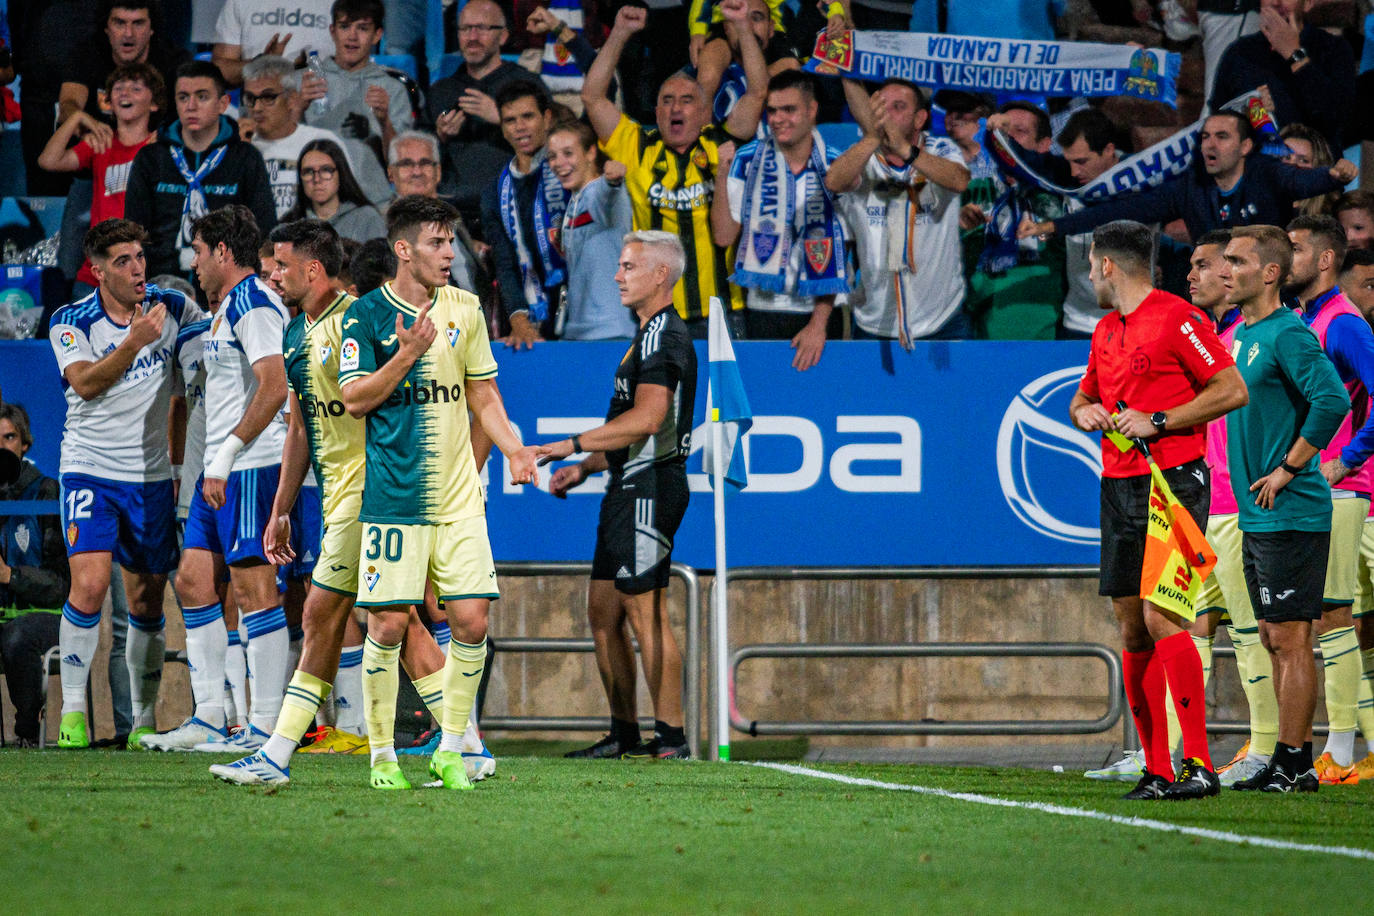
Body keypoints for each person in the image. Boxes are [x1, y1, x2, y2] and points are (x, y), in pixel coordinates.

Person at [209, 218, 459, 784]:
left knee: (360, 617)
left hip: (374, 492)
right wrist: (280, 507)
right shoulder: (296, 332)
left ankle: (275, 754)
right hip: (339, 497)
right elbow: (299, 428)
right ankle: (465, 743)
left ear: (312, 268)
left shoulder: (361, 319)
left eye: (279, 264)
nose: (271, 274)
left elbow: (405, 404)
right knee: (379, 618)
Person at [337, 195, 539, 789]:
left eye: (451, 241)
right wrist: (405, 355)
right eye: (436, 242)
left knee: (472, 621)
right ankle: (382, 758)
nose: (449, 253)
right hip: (396, 499)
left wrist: (513, 448)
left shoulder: (466, 309)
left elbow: (482, 395)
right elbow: (355, 399)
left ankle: (453, 747)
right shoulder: (366, 316)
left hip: (458, 498)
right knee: (389, 627)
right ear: (403, 249)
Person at [1069, 220, 1248, 800]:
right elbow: (1084, 396)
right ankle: (1156, 768)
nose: (1089, 274)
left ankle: (1197, 763)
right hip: (1118, 483)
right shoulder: (1104, 330)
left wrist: (1162, 420)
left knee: (1161, 617)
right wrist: (1085, 413)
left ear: (1107, 266)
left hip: (1171, 481)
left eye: (1091, 263)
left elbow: (1231, 388)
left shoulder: (1179, 319)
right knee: (1129, 622)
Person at [539, 231, 699, 760]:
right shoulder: (645, 335)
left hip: (651, 488)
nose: (617, 275)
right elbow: (635, 427)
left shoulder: (664, 336)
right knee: (603, 610)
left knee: (644, 610)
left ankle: (671, 738)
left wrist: (569, 445)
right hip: (625, 486)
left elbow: (649, 419)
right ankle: (624, 733)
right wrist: (585, 466)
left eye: (629, 266)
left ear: (661, 275)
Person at [47, 218, 204, 749]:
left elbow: (199, 366)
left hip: (151, 477)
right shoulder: (71, 320)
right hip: (89, 468)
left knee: (145, 603)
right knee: (90, 587)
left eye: (140, 257)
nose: (137, 269)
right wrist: (135, 343)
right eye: (122, 261)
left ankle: (141, 720)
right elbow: (86, 384)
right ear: (97, 271)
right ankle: (71, 714)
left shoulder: (173, 307)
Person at [142, 206, 291, 751]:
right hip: (220, 468)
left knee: (256, 589)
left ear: (224, 252)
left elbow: (274, 386)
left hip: (250, 464)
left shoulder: (254, 301)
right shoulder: (230, 306)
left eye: (200, 251)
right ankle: (209, 715)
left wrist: (226, 454)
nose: (194, 262)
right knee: (193, 580)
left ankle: (266, 727)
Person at [1220, 223, 1350, 792]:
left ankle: (1297, 761)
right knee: (1274, 635)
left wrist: (1290, 467)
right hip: (1260, 514)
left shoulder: (1287, 335)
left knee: (1293, 637)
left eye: (1237, 261)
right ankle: (1284, 757)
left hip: (1292, 509)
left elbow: (1334, 399)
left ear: (1269, 273)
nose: (1226, 270)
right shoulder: (1243, 334)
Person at [583, 2, 766, 336]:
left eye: (686, 100)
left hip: (721, 309)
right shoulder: (636, 145)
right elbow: (593, 97)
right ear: (655, 111)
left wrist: (740, 25)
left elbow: (757, 92)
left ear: (704, 111)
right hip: (656, 310)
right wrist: (620, 33)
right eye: (666, 100)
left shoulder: (720, 144)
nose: (675, 107)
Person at [1284, 214, 1374, 784]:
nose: (1283, 258)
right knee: (1327, 617)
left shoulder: (1344, 324)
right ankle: (1339, 748)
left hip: (1341, 488)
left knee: (1332, 615)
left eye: (1293, 249)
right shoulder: (1303, 319)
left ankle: (1340, 751)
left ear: (1323, 259)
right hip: (1316, 487)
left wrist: (1351, 455)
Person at [1021, 111, 1356, 245]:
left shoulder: (1266, 173)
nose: (1210, 144)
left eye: (1221, 136)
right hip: (1213, 306)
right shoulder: (1190, 187)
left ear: (1245, 146)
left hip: (1268, 306)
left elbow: (1303, 183)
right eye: (1205, 136)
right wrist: (1054, 226)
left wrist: (1333, 176)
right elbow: (1123, 211)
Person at [713, 70, 848, 370]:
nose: (777, 119)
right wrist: (721, 173)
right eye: (772, 111)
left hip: (820, 314)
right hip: (762, 310)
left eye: (789, 109)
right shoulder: (746, 160)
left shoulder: (836, 165)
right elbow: (723, 236)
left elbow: (842, 251)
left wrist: (818, 323)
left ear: (812, 110)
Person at [825, 78, 970, 345]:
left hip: (942, 321)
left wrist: (904, 149)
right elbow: (834, 181)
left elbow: (958, 180)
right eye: (881, 107)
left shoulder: (941, 150)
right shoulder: (863, 158)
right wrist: (872, 138)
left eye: (898, 107)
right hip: (875, 324)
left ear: (919, 119)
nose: (886, 114)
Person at [124, 60, 276, 282]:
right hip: (161, 280)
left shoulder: (246, 157)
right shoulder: (151, 157)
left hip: (229, 282)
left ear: (223, 103)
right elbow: (134, 231)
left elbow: (262, 229)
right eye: (183, 97)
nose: (191, 106)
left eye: (202, 96)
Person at [989, 107, 1124, 339]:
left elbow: (1108, 213)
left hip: (1129, 323)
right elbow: (1018, 161)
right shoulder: (1066, 174)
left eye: (1081, 161)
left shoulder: (1145, 182)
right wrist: (997, 134)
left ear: (1109, 150)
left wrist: (1052, 227)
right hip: (1076, 323)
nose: (1073, 171)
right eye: (1070, 161)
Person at [38, 63, 165, 296]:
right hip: (96, 274)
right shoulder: (101, 143)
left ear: (154, 103)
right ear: (108, 101)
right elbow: (48, 161)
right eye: (118, 88)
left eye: (136, 89)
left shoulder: (160, 149)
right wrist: (75, 118)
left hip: (141, 272)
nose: (125, 93)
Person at [424, 0, 547, 238]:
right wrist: (439, 136)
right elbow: (418, 149)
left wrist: (502, 119)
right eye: (465, 29)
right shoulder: (441, 90)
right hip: (451, 208)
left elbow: (553, 140)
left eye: (481, 28)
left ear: (503, 37)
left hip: (514, 204)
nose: (472, 36)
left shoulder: (526, 85)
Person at [0, 403, 70, 747]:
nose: (1, 446)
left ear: (24, 443)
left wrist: (10, 576)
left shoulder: (47, 491)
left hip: (48, 619)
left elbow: (60, 585)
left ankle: (27, 730)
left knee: (16, 637)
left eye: (9, 437)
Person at [1209, 0, 1356, 155]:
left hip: (1313, 169)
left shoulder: (1333, 50)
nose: (1275, 2)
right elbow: (1217, 122)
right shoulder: (1239, 53)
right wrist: (1252, 113)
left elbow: (1337, 118)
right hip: (1257, 169)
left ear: (1308, 3)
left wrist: (1294, 55)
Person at [482, 83, 566, 347]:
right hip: (533, 316)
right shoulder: (495, 191)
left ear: (547, 118)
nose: (519, 126)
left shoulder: (569, 174)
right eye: (510, 120)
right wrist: (519, 320)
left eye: (528, 116)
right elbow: (504, 264)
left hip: (582, 310)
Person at [546, 121, 639, 341]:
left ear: (590, 153)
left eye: (568, 153)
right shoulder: (574, 202)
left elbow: (609, 196)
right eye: (552, 156)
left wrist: (613, 180)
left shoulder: (600, 191)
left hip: (610, 332)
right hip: (577, 331)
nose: (559, 163)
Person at [299, 0, 412, 161]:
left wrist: (384, 122)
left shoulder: (393, 90)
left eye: (362, 28)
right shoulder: (305, 82)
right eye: (344, 26)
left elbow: (402, 163)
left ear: (377, 35)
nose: (352, 37)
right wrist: (298, 107)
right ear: (333, 31)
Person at [385, 130, 486, 300]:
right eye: (407, 164)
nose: (417, 171)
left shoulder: (453, 217)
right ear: (391, 174)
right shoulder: (384, 226)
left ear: (438, 171)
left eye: (425, 163)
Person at [57, 1, 187, 127]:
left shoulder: (176, 63)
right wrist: (80, 121)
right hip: (95, 144)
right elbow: (69, 103)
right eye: (119, 23)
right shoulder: (86, 54)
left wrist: (161, 139)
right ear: (106, 28)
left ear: (152, 29)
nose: (128, 34)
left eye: (138, 23)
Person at [283, 138, 386, 242]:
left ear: (341, 174)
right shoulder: (289, 225)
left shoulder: (367, 219)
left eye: (326, 170)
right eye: (308, 172)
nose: (317, 179)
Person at [211, 0, 333, 86]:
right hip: (258, 113)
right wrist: (262, 64)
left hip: (322, 112)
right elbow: (220, 71)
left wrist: (311, 69)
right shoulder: (240, 2)